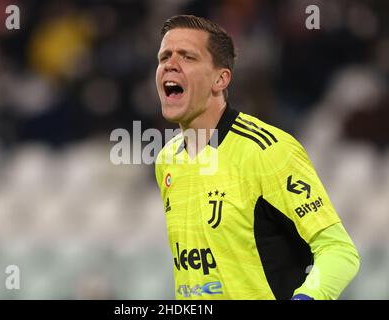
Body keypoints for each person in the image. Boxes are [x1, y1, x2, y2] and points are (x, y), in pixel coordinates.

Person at [154, 15, 360, 300]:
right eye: (164, 56)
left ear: (220, 78)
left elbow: (339, 251)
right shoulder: (167, 160)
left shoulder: (267, 150)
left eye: (187, 57)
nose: (170, 64)